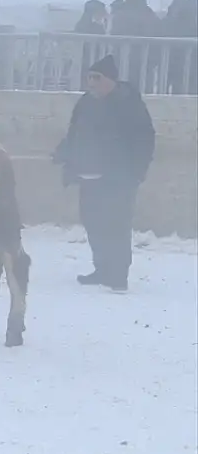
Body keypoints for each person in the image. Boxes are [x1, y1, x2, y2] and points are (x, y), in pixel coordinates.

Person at [53, 54, 155, 292]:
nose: (91, 83)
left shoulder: (129, 103)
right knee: (93, 223)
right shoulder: (86, 102)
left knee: (116, 225)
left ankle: (119, 276)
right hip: (88, 175)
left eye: (96, 78)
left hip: (119, 178)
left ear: (110, 80)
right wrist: (62, 153)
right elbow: (74, 133)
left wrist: (137, 172)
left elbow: (145, 139)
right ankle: (102, 269)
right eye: (89, 77)